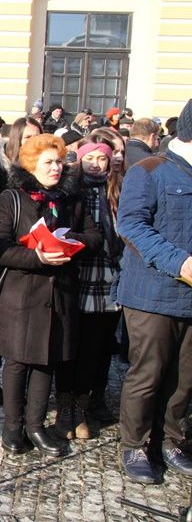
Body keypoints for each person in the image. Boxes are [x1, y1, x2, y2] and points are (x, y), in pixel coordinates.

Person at [0, 134, 101, 457]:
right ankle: (13, 427)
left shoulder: (71, 198)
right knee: (18, 361)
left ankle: (36, 426)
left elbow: (95, 237)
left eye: (59, 161)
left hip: (60, 293)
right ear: (31, 164)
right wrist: (36, 256)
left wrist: (68, 241)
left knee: (46, 361)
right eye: (48, 162)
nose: (56, 168)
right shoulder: (12, 198)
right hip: (21, 294)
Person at [115, 99, 192, 484]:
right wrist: (180, 263)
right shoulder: (148, 170)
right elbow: (131, 226)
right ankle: (136, 444)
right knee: (148, 374)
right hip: (153, 294)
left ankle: (171, 440)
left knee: (185, 377)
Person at [53, 135, 123, 441]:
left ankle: (82, 406)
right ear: (80, 159)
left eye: (102, 158)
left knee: (96, 347)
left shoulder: (117, 189)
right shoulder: (71, 189)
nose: (96, 164)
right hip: (77, 274)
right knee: (70, 345)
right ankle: (64, 407)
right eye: (90, 158)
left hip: (108, 277)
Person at [0, 117, 42, 405]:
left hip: (37, 254)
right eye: (27, 137)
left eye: (37, 136)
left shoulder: (46, 169)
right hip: (8, 253)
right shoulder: (2, 170)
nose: (33, 142)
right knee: (0, 323)